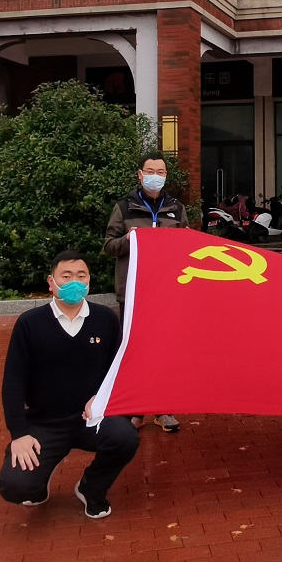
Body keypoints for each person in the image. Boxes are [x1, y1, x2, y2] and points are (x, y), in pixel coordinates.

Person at [0, 250, 139, 520]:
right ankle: (38, 482)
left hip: (91, 419)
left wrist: (102, 398)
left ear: (89, 282)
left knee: (125, 437)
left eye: (81, 276)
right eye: (66, 276)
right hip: (44, 423)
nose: (75, 282)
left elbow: (120, 370)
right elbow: (13, 381)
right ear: (51, 282)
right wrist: (19, 434)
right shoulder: (30, 323)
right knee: (16, 486)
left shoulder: (106, 319)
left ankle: (91, 488)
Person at [103, 151, 188, 433]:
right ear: (140, 175)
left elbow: (188, 247)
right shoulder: (124, 207)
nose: (155, 176)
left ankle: (163, 409)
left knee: (165, 350)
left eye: (160, 172)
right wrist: (128, 240)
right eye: (150, 171)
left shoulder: (176, 209)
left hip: (166, 293)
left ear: (166, 176)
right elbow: (108, 246)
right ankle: (135, 410)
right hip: (133, 292)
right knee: (133, 350)